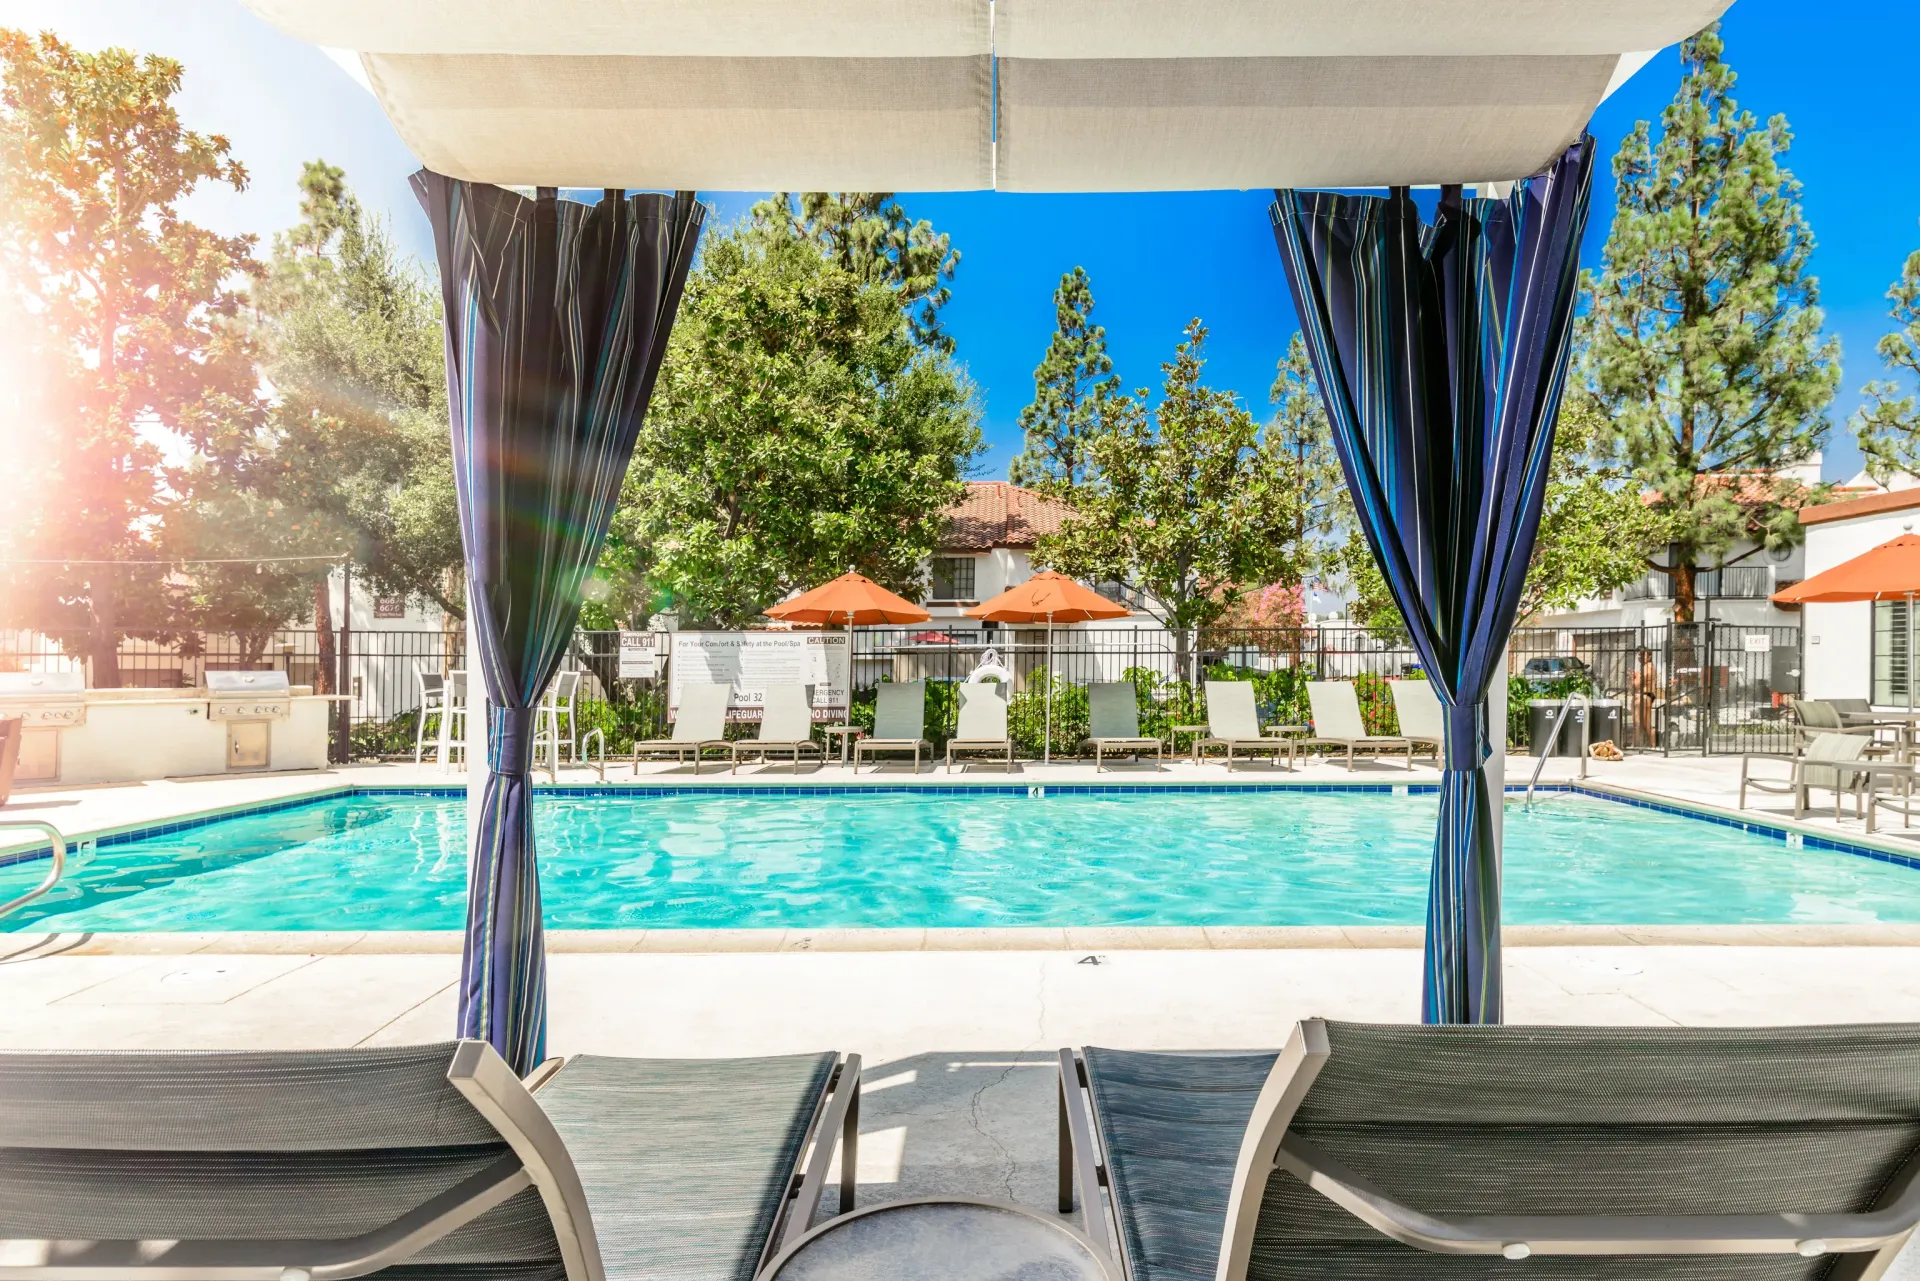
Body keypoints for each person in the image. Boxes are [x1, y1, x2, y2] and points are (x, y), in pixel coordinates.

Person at [1628, 647, 1659, 748]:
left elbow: (1637, 684)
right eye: (1639, 655)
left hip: (1641, 697)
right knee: (1647, 725)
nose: (1640, 657)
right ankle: (1653, 746)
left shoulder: (1646, 667)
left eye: (1642, 655)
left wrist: (1632, 677)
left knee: (1637, 723)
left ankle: (1636, 746)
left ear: (1649, 656)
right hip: (1648, 697)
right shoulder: (1651, 666)